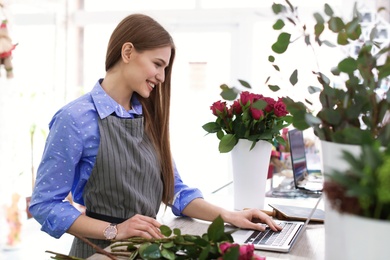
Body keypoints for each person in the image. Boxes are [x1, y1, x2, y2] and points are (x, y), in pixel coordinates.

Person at [29, 13, 282, 258]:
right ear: (127, 52)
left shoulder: (147, 117)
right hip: (100, 253)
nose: (161, 77)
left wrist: (230, 215)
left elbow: (175, 191)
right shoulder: (74, 119)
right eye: (157, 64)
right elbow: (45, 204)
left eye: (165, 68)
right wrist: (115, 230)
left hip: (147, 251)